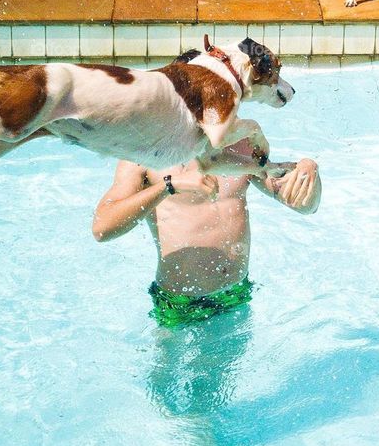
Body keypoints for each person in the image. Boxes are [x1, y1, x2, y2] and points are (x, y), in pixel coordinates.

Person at [92, 137, 321, 328]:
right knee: (165, 379)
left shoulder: (241, 147)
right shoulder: (146, 152)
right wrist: (169, 186)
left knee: (221, 381)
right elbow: (102, 228)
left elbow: (304, 206)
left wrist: (308, 171)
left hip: (235, 294)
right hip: (178, 302)